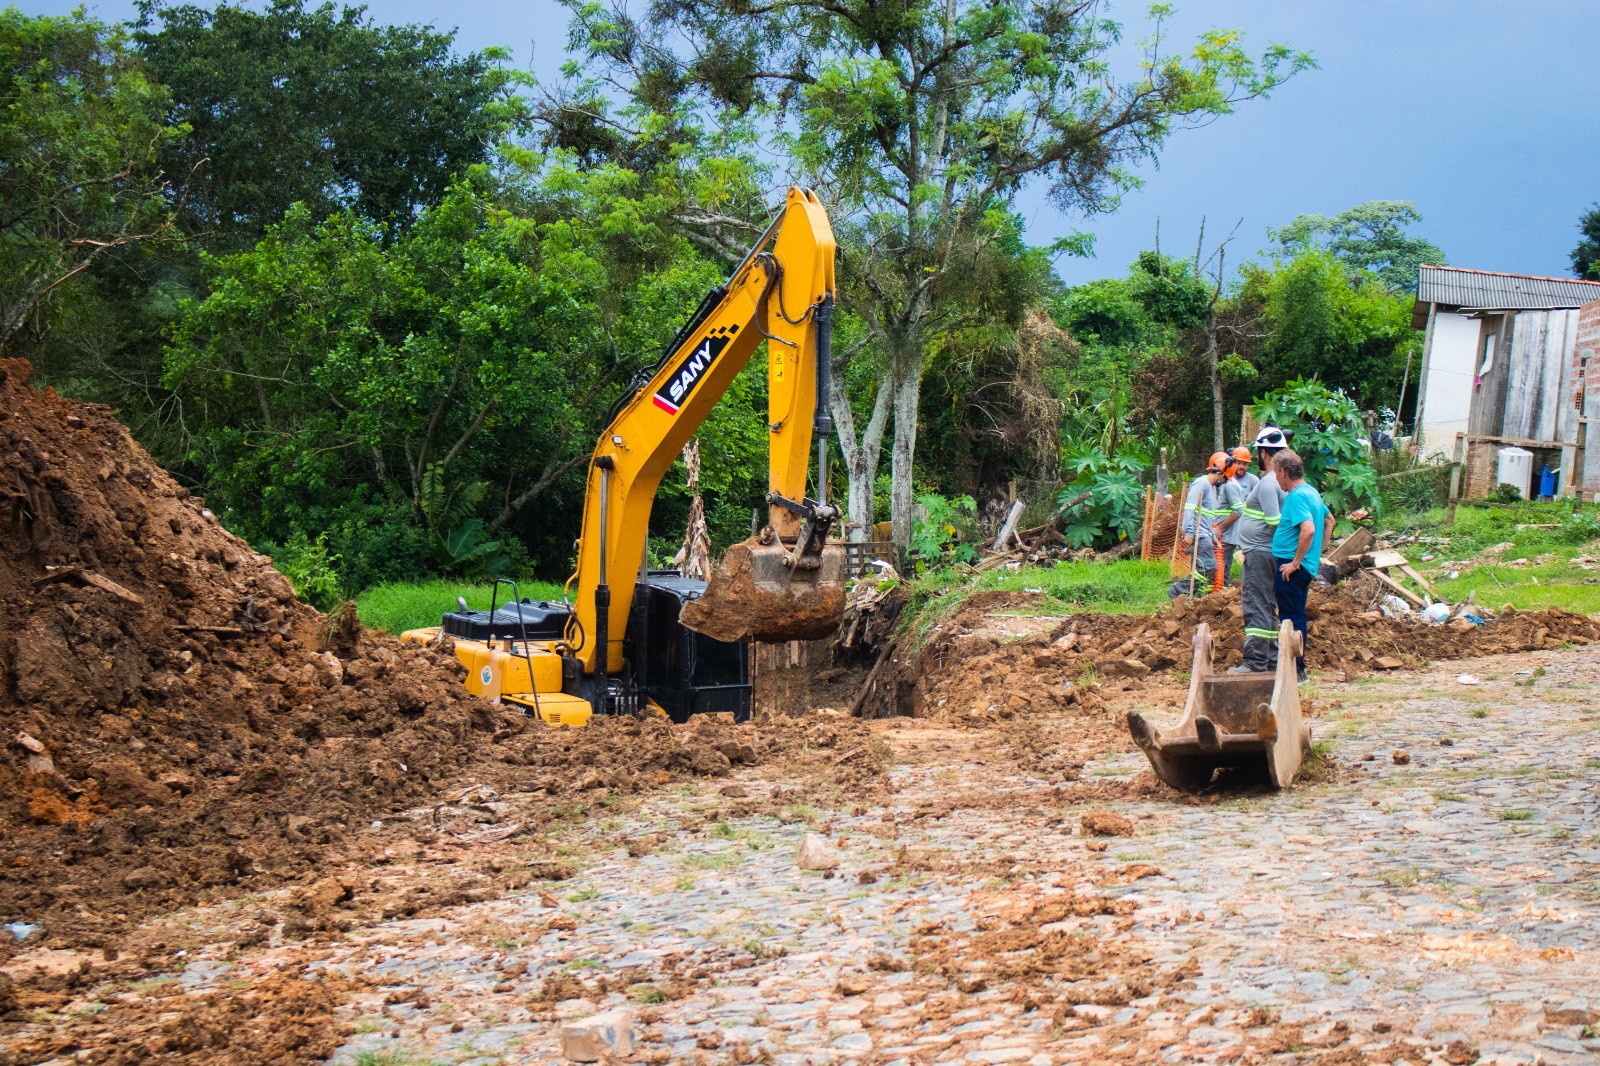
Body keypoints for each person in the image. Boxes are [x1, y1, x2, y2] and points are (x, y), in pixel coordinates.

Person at [1216, 428, 1287, 674]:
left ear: (1264, 452)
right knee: (1267, 606)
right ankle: (1271, 660)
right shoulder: (1278, 481)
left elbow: (1275, 521)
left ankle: (1256, 662)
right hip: (1265, 552)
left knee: (1256, 604)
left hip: (1259, 552)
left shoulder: (1268, 483)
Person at [1270, 449, 1336, 682]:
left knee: (1290, 617)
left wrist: (1296, 562)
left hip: (1292, 567)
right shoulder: (1312, 493)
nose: (1276, 479)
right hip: (1304, 565)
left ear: (1285, 472)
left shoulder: (1297, 496)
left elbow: (1308, 529)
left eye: (1276, 473)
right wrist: (1316, 553)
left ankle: (1297, 669)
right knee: (1295, 613)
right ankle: (1296, 668)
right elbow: (1329, 521)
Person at [1168, 452, 1231, 599]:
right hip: (1198, 533)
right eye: (1225, 478)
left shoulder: (1211, 488)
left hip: (1204, 534)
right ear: (1220, 473)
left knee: (1200, 568)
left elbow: (1206, 516)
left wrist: (1211, 536)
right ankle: (1178, 590)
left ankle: (1192, 596)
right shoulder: (1201, 484)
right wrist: (1189, 533)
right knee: (1209, 567)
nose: (1224, 482)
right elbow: (1189, 508)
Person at [1217, 446, 1257, 585]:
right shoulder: (1225, 478)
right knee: (1224, 564)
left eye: (1245, 464)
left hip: (1246, 529)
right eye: (1239, 463)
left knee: (1250, 562)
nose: (1241, 466)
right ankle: (1224, 591)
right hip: (1229, 530)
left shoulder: (1253, 481)